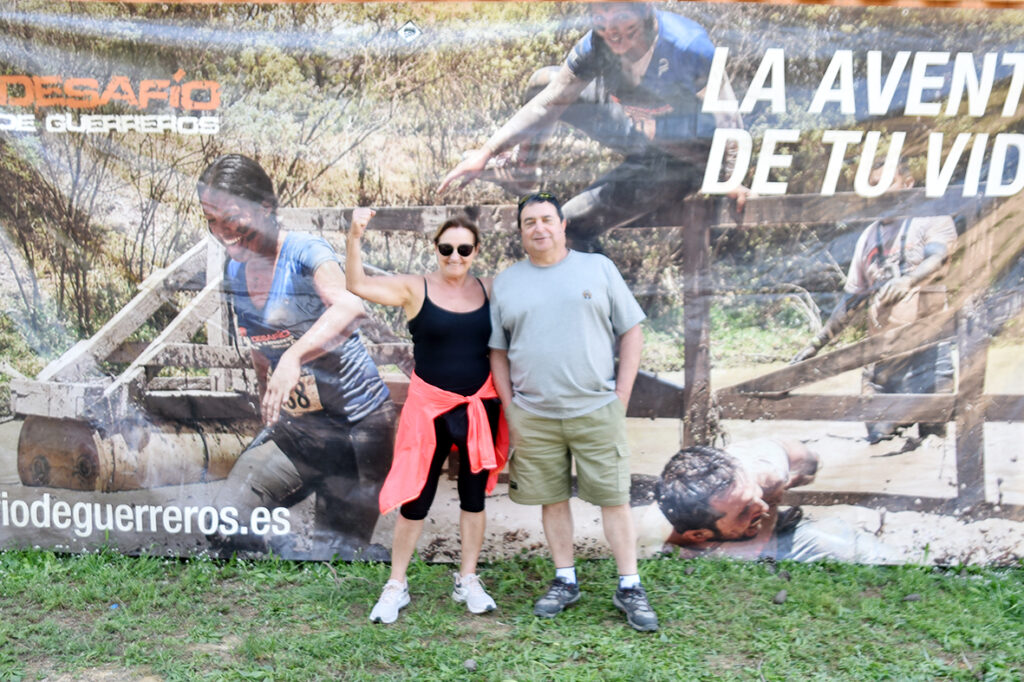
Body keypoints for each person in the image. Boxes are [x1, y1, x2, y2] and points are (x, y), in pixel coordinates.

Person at [197, 154, 395, 560]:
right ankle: (280, 549)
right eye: (211, 220)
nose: (221, 232)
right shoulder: (235, 271)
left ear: (265, 207)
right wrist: (266, 400)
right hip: (299, 433)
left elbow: (351, 307)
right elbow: (259, 347)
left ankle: (346, 540)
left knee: (336, 556)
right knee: (225, 527)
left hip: (356, 430)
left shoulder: (305, 251)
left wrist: (294, 356)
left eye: (231, 217)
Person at [438, 2, 747, 253]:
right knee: (545, 82)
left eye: (625, 26)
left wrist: (731, 177)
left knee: (567, 226)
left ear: (646, 11)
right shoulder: (595, 45)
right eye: (605, 26)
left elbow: (728, 115)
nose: (617, 38)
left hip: (678, 161)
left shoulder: (687, 46)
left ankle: (609, 302)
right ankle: (524, 169)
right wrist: (487, 151)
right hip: (635, 130)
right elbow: (549, 101)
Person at [489, 191, 656, 632]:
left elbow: (632, 331)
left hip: (597, 409)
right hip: (534, 415)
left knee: (614, 498)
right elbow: (498, 352)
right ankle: (565, 580)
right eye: (529, 222)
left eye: (547, 219)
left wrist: (621, 396)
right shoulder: (506, 282)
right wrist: (511, 408)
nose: (539, 228)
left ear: (563, 225)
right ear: (520, 232)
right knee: (552, 497)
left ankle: (630, 585)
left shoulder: (598, 268)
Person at [346, 209, 508, 625]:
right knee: (416, 499)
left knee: (474, 497)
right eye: (447, 248)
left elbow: (539, 290)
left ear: (476, 251)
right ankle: (396, 584)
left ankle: (467, 579)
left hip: (478, 407)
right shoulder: (414, 288)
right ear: (435, 249)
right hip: (429, 409)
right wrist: (354, 236)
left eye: (464, 249)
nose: (455, 256)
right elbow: (357, 284)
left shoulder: (492, 288)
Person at [792, 160, 958, 443]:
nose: (879, 191)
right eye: (873, 185)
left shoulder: (932, 220)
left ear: (908, 184)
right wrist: (817, 344)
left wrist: (908, 280)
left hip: (929, 354)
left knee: (933, 441)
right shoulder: (868, 236)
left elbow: (937, 258)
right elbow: (852, 301)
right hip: (882, 360)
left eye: (886, 182)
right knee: (878, 440)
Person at [649, 440, 900, 563]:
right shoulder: (655, 526)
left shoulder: (765, 475)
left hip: (786, 514)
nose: (761, 507)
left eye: (755, 496)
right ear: (697, 534)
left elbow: (798, 458)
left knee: (849, 548)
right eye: (744, 510)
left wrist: (747, 550)